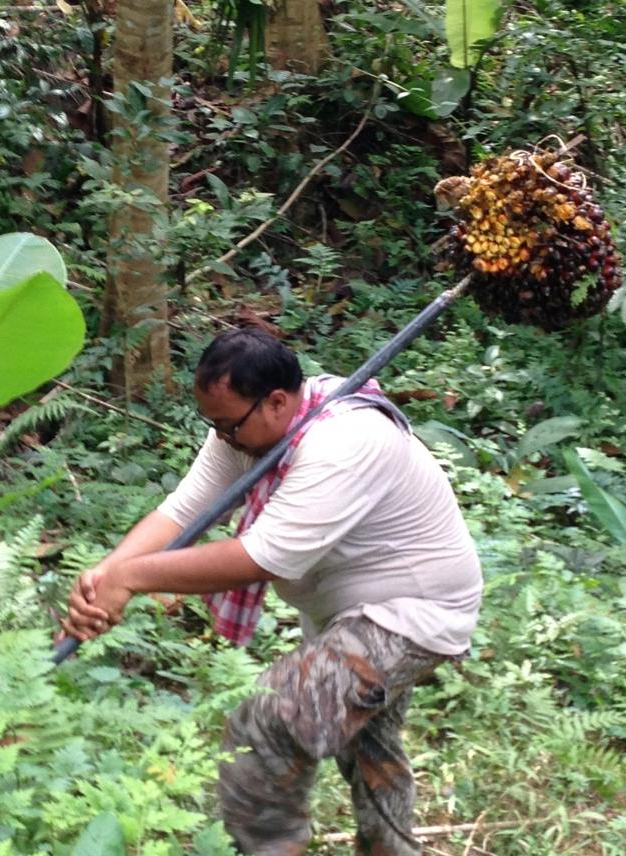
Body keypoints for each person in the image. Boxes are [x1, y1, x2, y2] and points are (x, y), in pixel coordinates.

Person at [63, 328, 483, 856]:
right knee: (369, 749)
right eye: (213, 424)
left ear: (277, 401)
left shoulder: (344, 441)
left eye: (228, 424)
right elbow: (184, 510)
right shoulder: (246, 431)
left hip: (413, 613)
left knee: (268, 723)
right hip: (348, 614)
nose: (221, 437)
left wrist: (132, 579)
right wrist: (106, 575)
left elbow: (262, 557)